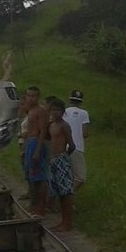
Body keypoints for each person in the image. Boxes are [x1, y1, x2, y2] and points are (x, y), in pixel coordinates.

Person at [44, 96, 76, 231]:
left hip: (62, 159)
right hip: (52, 160)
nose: (55, 112)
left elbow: (71, 144)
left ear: (63, 112)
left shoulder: (64, 125)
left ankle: (67, 222)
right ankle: (62, 221)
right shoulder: (51, 126)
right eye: (53, 110)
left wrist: (64, 156)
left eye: (58, 110)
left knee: (65, 192)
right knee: (57, 191)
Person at [20, 86, 49, 216]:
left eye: (34, 96)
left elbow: (43, 131)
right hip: (30, 143)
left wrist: (37, 150)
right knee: (31, 175)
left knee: (39, 177)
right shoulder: (30, 111)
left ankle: (40, 207)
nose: (31, 98)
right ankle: (34, 204)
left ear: (38, 97)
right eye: (29, 95)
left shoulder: (40, 111)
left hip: (36, 142)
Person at [62, 89, 90, 193]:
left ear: (70, 100)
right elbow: (85, 133)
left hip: (63, 146)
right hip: (77, 147)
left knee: (65, 174)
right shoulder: (84, 113)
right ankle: (68, 194)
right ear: (81, 101)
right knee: (80, 177)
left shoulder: (64, 112)